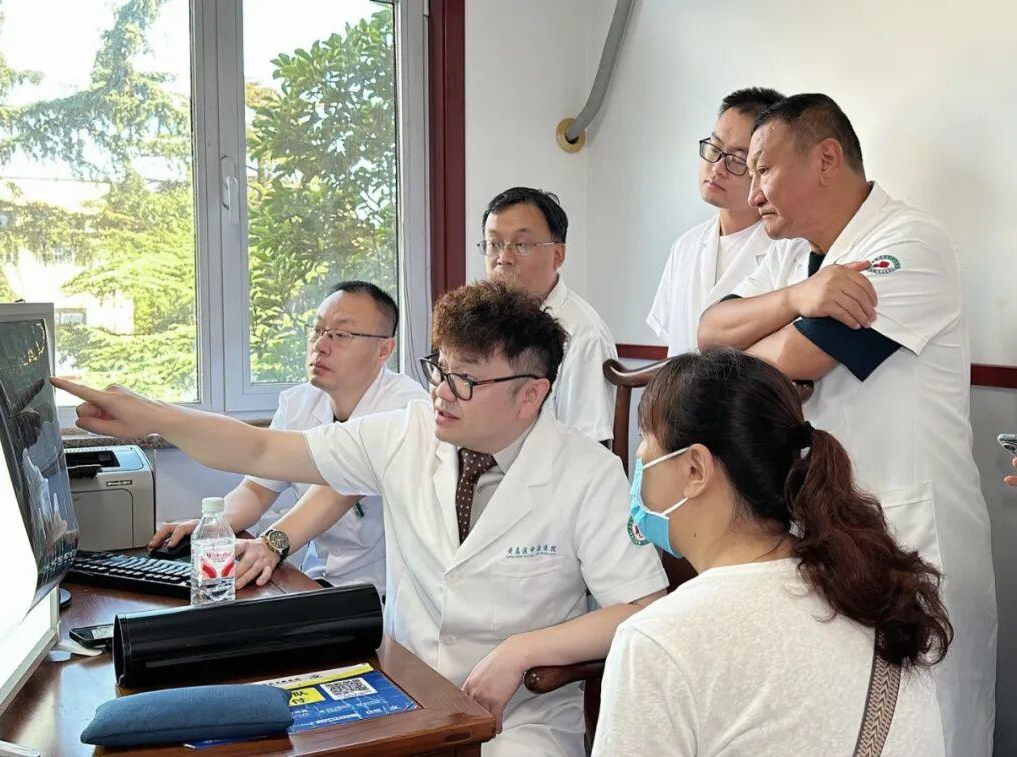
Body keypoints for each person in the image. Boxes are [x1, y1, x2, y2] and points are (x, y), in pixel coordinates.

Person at [53, 280, 669, 756]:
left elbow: (642, 606)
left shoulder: (587, 473)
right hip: (405, 691)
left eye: (465, 381)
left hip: (523, 716)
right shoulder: (405, 434)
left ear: (530, 393)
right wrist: (155, 416)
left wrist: (523, 650)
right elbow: (263, 451)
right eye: (440, 370)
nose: (441, 393)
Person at [697, 93, 996, 755]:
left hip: (911, 532)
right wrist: (798, 296)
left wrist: (760, 347)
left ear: (826, 159)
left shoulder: (907, 242)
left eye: (764, 168)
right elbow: (709, 330)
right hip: (831, 529)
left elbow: (798, 359)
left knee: (928, 727)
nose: (753, 189)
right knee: (843, 725)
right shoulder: (791, 257)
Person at [593, 348, 952, 756]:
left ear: (695, 469)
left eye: (646, 444)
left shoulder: (658, 642)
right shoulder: (866, 589)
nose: (639, 462)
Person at [148, 282, 425, 596]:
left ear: (384, 350)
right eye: (317, 330)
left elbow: (337, 490)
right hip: (319, 580)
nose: (321, 345)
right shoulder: (299, 403)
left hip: (388, 592)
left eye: (341, 335)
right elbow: (256, 490)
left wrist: (271, 543)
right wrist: (211, 526)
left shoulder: (404, 407)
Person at [648, 87, 805, 356]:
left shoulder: (791, 249)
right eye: (715, 148)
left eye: (737, 160)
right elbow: (673, 346)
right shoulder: (686, 246)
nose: (717, 168)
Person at [481, 187, 617, 443]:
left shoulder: (583, 336)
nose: (503, 258)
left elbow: (588, 450)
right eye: (494, 244)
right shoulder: (486, 323)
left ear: (557, 255)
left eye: (521, 245)